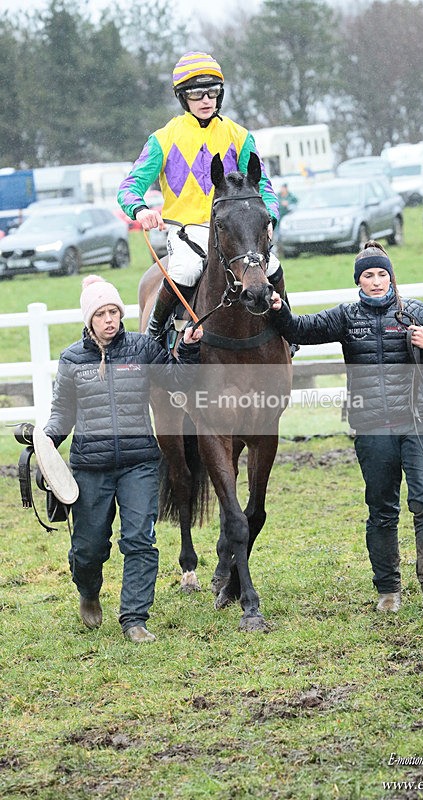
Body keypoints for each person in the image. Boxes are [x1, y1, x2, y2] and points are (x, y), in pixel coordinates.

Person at [269, 240, 423, 616]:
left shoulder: (415, 312)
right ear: (359, 280)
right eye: (368, 275)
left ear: (391, 277)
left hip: (419, 424)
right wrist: (278, 307)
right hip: (372, 428)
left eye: (381, 274)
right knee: (381, 509)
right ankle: (388, 591)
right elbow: (299, 329)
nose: (375, 281)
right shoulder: (346, 316)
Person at [43, 275, 203, 643]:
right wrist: (46, 442)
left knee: (139, 541)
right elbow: (62, 414)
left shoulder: (143, 348)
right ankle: (89, 592)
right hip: (90, 467)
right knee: (88, 548)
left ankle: (134, 619)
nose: (110, 319)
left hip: (139, 464)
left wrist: (190, 350)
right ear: (89, 319)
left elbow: (179, 381)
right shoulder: (72, 359)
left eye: (114, 311)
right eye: (102, 314)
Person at [117, 50, 290, 342]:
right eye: (197, 94)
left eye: (212, 92)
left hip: (235, 229)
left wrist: (270, 215)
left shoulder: (239, 135)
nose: (206, 100)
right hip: (187, 231)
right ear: (183, 97)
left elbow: (264, 186)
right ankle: (153, 338)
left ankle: (288, 332)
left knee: (272, 267)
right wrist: (140, 209)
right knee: (184, 270)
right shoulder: (163, 139)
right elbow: (129, 187)